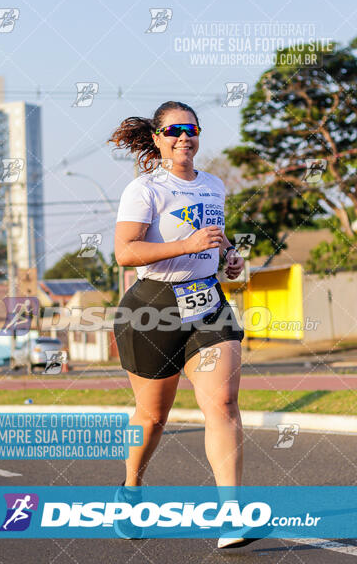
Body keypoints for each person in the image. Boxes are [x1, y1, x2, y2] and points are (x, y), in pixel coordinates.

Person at [109, 101, 254, 549]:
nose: (182, 137)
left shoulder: (212, 185)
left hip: (208, 300)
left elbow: (215, 238)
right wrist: (185, 245)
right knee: (153, 417)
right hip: (152, 307)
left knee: (224, 403)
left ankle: (231, 514)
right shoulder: (145, 189)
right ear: (157, 138)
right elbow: (125, 252)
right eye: (172, 131)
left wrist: (228, 258)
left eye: (190, 129)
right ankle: (131, 488)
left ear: (199, 134)